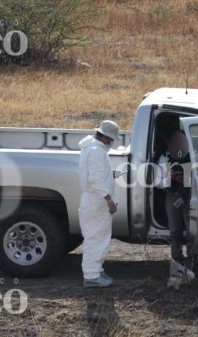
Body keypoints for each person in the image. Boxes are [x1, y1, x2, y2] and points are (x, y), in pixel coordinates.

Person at [78, 120, 120, 288]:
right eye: (111, 139)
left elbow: (96, 175)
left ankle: (95, 271)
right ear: (107, 137)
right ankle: (92, 276)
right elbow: (94, 179)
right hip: (97, 202)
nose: (111, 142)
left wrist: (110, 174)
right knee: (96, 238)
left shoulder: (91, 148)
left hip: (93, 200)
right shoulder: (96, 151)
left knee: (96, 237)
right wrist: (108, 199)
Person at [154, 131, 196, 289]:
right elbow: (157, 183)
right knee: (175, 231)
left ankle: (191, 266)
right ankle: (177, 265)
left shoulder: (193, 156)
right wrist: (169, 179)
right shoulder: (164, 159)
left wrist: (188, 178)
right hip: (171, 195)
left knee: (193, 230)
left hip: (190, 195)